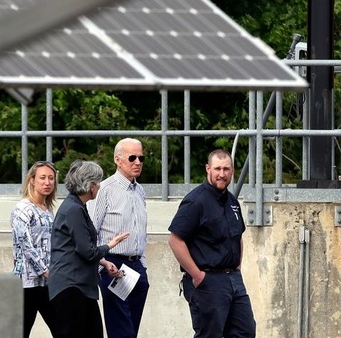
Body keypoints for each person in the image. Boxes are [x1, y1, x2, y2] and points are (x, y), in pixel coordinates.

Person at [168, 149, 256, 338]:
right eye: (217, 169)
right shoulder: (195, 201)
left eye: (226, 169)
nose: (222, 174)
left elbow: (237, 237)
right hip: (208, 280)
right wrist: (197, 275)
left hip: (233, 279)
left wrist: (237, 269)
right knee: (210, 334)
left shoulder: (232, 202)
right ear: (208, 169)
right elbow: (175, 240)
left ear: (232, 171)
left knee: (245, 331)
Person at [49, 160, 129, 338]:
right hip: (71, 286)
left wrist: (103, 262)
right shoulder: (73, 209)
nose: (99, 187)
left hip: (80, 286)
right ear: (90, 186)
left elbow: (78, 247)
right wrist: (110, 245)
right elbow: (87, 251)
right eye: (97, 183)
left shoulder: (78, 207)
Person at [88, 138, 150, 338]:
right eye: (132, 158)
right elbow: (90, 231)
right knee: (121, 331)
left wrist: (143, 265)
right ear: (118, 160)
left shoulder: (140, 191)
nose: (137, 162)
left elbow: (141, 230)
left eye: (141, 158)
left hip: (137, 267)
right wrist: (102, 265)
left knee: (131, 330)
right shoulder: (105, 190)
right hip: (113, 265)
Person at [11, 161, 59, 338]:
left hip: (47, 283)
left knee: (62, 329)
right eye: (42, 178)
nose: (47, 182)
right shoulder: (22, 209)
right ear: (32, 180)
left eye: (51, 178)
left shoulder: (48, 210)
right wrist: (44, 270)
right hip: (26, 283)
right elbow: (25, 243)